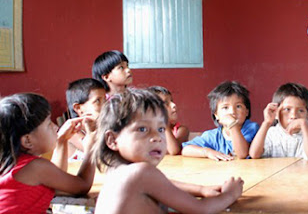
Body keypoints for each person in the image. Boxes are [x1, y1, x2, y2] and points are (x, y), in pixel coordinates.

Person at [93, 88, 244, 214]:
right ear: (112, 140)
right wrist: (230, 194)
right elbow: (201, 209)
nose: (156, 137)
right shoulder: (141, 172)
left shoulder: (116, 170)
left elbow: (163, 184)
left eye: (160, 129)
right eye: (142, 129)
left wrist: (201, 189)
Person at [0, 93, 95, 213]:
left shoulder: (16, 162)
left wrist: (62, 141)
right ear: (27, 141)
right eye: (48, 124)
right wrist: (91, 149)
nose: (55, 127)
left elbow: (55, 181)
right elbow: (82, 186)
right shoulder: (36, 167)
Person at [182, 81, 259, 161]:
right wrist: (207, 152)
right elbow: (186, 149)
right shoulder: (213, 136)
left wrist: (232, 125)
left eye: (238, 106)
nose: (232, 111)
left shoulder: (252, 128)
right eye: (225, 107)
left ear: (247, 111)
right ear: (216, 115)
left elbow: (242, 153)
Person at [249, 83, 308, 160]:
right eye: (287, 109)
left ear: (307, 115)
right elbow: (254, 154)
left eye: (301, 110)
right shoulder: (271, 133)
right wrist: (266, 123)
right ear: (276, 112)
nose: (294, 116)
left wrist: (304, 124)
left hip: (303, 172)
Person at [66, 78, 107, 160]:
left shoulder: (103, 127)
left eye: (105, 99)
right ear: (78, 108)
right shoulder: (72, 134)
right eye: (98, 101)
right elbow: (100, 155)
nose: (105, 105)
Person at [148, 85, 189, 155]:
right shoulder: (146, 131)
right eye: (166, 103)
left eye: (172, 101)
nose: (174, 105)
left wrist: (164, 123)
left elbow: (173, 150)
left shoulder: (181, 130)